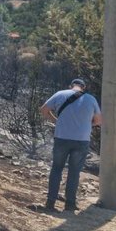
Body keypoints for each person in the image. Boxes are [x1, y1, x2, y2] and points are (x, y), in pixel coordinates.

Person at [40, 78, 103, 212]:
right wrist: (87, 125)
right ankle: (70, 204)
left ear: (71, 86)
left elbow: (44, 110)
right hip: (81, 140)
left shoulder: (60, 94)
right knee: (74, 172)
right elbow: (99, 121)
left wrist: (56, 120)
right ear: (83, 87)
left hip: (62, 137)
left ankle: (50, 202)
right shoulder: (91, 99)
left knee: (57, 169)